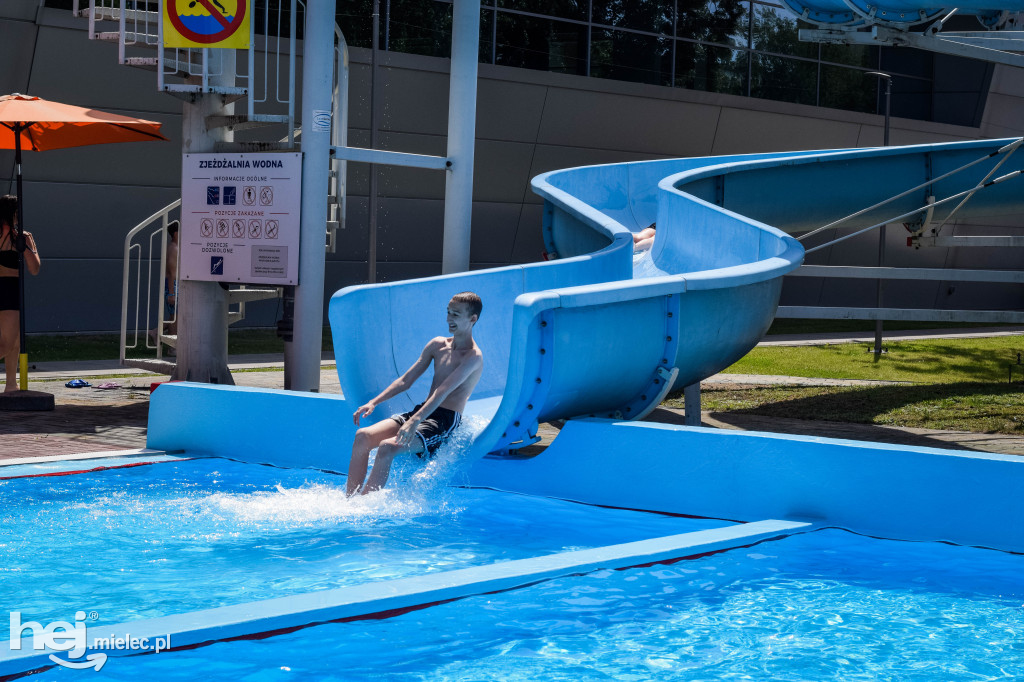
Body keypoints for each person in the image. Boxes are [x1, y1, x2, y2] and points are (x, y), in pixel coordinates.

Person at [346, 291, 484, 496]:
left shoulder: (473, 357)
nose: (449, 319)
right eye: (448, 312)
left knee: (386, 448)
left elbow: (442, 392)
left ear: (473, 319)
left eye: (455, 314)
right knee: (363, 436)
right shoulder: (437, 345)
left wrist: (414, 422)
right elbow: (405, 380)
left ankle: (365, 507)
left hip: (444, 419)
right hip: (423, 410)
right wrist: (373, 402)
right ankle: (350, 501)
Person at [0, 195, 41, 393]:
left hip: (13, 289)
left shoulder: (23, 237)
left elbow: (34, 268)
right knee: (7, 343)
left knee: (15, 341)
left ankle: (10, 384)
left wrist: (24, 248)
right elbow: (34, 270)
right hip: (6, 290)